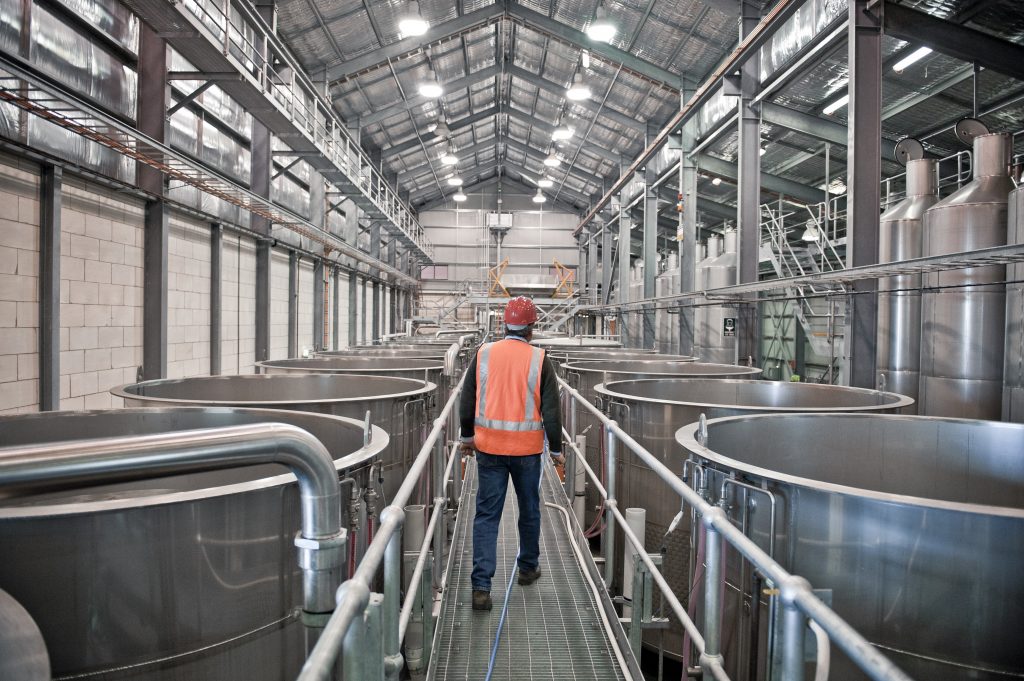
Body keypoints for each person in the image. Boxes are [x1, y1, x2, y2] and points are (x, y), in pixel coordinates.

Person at [459, 296, 564, 612]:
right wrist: (557, 450)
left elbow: (467, 398)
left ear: (504, 324)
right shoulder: (540, 359)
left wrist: (467, 437)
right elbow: (552, 412)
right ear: (531, 328)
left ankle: (481, 587)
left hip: (489, 448)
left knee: (487, 515)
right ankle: (528, 568)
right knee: (529, 509)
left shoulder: (483, 353)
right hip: (526, 452)